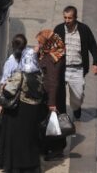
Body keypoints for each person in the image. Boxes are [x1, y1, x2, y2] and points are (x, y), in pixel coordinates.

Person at [0, 34, 44, 173]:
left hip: (20, 111)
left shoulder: (20, 74)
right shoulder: (38, 74)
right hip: (34, 111)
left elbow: (8, 92)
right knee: (30, 139)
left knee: (17, 140)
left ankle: (17, 166)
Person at [53, 6, 97, 120]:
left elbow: (92, 45)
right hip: (62, 68)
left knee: (77, 97)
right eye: (65, 17)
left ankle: (76, 108)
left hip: (78, 69)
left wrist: (95, 62)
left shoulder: (84, 29)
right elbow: (52, 47)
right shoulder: (58, 29)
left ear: (75, 17)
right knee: (59, 94)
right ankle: (62, 116)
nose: (67, 20)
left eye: (70, 18)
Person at [36, 29, 67, 161]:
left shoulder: (54, 57)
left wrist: (52, 103)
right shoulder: (49, 53)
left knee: (53, 124)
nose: (39, 44)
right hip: (50, 94)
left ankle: (56, 149)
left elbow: (53, 81)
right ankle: (47, 147)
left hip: (52, 96)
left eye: (41, 42)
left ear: (49, 42)